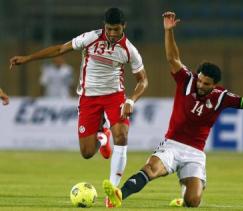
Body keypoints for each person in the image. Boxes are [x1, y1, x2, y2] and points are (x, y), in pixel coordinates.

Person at [102, 11, 243, 208]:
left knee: (193, 201)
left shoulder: (222, 97)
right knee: (151, 169)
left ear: (215, 85)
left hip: (195, 152)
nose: (201, 85)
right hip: (172, 144)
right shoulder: (187, 80)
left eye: (206, 83)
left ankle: (186, 190)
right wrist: (168, 31)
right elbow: (172, 58)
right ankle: (119, 195)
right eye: (200, 79)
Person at [10, 7, 148, 207]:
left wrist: (131, 100)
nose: (111, 33)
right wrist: (28, 58)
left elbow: (143, 81)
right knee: (87, 152)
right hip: (88, 98)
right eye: (109, 29)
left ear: (124, 27)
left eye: (116, 30)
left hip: (114, 97)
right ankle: (103, 135)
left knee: (122, 135)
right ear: (104, 26)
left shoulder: (129, 50)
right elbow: (60, 49)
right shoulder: (90, 38)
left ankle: (113, 191)